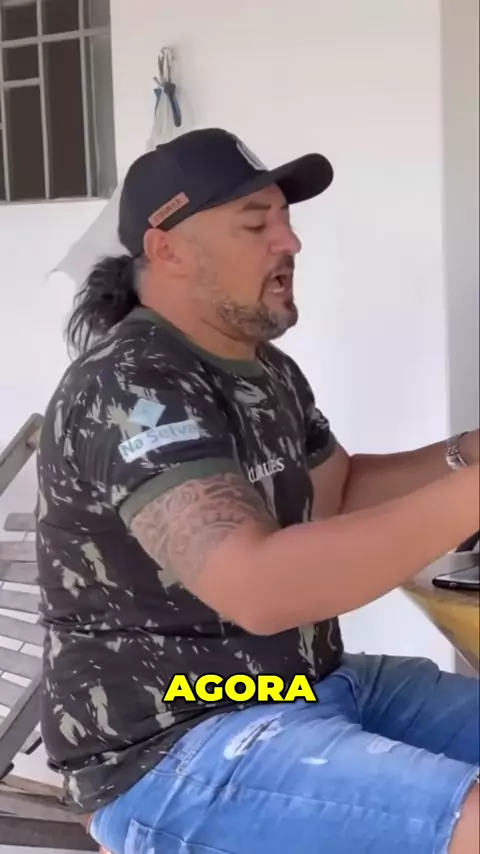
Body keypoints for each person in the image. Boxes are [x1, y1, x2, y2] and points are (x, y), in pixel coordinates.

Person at [36, 128, 479, 854]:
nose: (290, 242)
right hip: (170, 745)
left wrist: (467, 454)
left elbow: (337, 493)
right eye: (255, 224)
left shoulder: (266, 370)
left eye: (285, 217)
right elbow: (259, 588)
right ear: (167, 249)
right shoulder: (129, 386)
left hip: (303, 688)